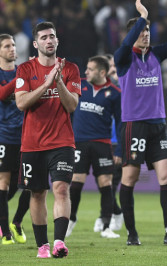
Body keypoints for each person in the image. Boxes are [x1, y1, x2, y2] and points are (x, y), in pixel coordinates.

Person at [114, 0, 167, 246]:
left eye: (148, 30)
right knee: (130, 179)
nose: (146, 34)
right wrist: (142, 16)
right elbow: (124, 46)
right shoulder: (123, 59)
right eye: (142, 31)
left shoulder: (156, 55)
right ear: (132, 34)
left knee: (166, 178)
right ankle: (132, 234)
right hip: (134, 124)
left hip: (158, 124)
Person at [14, 22, 81, 258]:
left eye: (52, 36)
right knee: (37, 193)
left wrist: (59, 81)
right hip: (32, 143)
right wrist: (46, 83)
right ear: (35, 44)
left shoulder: (70, 68)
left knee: (61, 189)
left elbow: (72, 105)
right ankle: (42, 246)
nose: (49, 40)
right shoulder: (24, 69)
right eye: (43, 38)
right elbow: (21, 103)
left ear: (57, 41)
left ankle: (59, 242)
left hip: (62, 141)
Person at [66, 56, 121, 239]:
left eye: (90, 69)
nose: (86, 72)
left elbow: (121, 123)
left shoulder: (114, 93)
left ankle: (106, 226)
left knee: (106, 184)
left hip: (102, 144)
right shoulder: (78, 85)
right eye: (87, 68)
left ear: (102, 73)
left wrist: (120, 149)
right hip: (80, 142)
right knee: (76, 183)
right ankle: (70, 220)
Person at [0, 34, 30, 245]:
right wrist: (20, 76)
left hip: (27, 135)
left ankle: (17, 222)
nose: (12, 48)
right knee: (4, 183)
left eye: (13, 45)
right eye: (7, 46)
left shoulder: (23, 71)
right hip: (4, 135)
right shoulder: (20, 73)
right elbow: (2, 94)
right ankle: (5, 233)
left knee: (31, 183)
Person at [93, 53, 124, 233]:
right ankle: (114, 212)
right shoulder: (98, 91)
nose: (113, 71)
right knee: (102, 184)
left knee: (110, 184)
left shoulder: (120, 90)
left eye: (114, 68)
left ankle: (107, 216)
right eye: (110, 68)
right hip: (101, 140)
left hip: (116, 142)